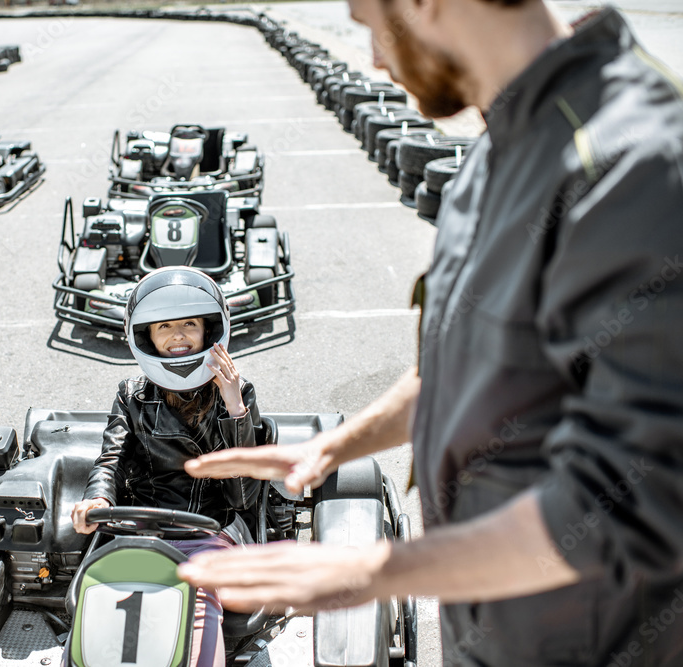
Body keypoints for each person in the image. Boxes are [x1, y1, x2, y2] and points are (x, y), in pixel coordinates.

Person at [177, 0, 683, 665]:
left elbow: (634, 498)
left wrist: (373, 573)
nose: (376, 59)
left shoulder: (632, 164)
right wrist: (332, 448)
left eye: (371, 25)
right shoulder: (498, 146)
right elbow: (466, 366)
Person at [71, 266, 268, 667]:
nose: (178, 335)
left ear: (209, 330)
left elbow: (243, 493)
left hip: (210, 529)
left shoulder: (237, 392)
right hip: (138, 528)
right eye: (164, 326)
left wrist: (233, 407)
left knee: (199, 595)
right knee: (99, 597)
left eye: (189, 324)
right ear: (146, 336)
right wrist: (97, 497)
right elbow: (112, 457)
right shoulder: (131, 395)